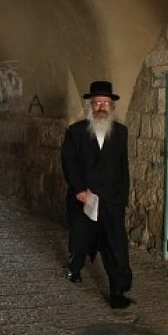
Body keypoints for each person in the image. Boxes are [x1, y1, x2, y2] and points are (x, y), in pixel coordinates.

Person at [60, 80, 133, 309]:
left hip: (112, 199)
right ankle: (75, 267)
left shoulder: (120, 132)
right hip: (85, 197)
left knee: (116, 245)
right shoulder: (76, 132)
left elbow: (123, 166)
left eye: (105, 103)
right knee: (81, 238)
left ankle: (118, 290)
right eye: (97, 103)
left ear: (111, 106)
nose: (101, 106)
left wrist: (123, 197)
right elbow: (69, 163)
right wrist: (78, 189)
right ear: (90, 106)